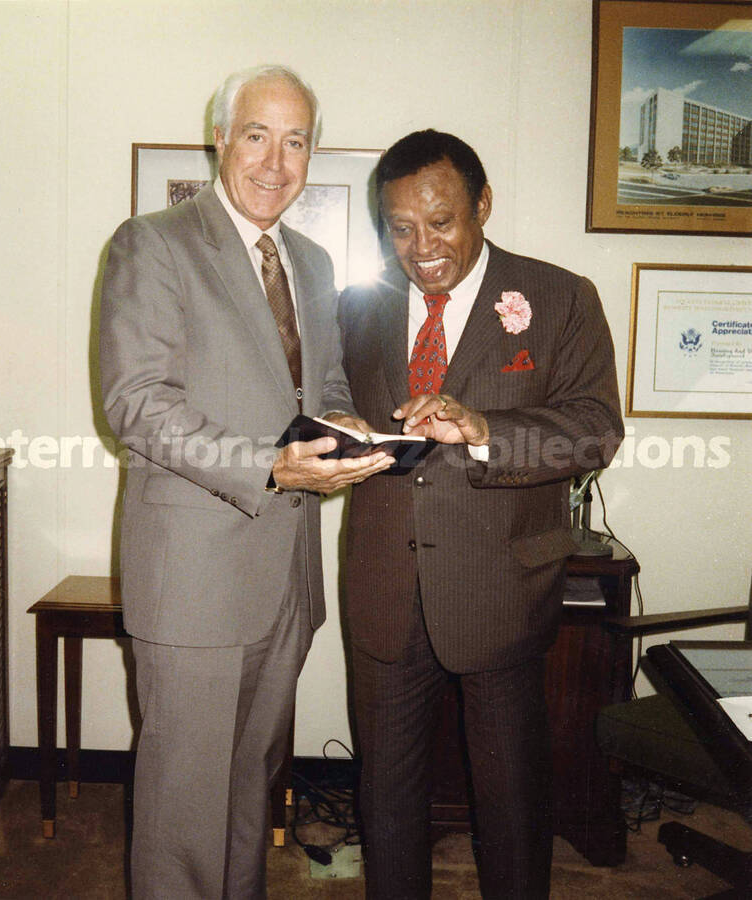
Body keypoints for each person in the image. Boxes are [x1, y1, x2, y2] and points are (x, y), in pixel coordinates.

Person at [99, 65, 392, 900]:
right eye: (256, 135)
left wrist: (351, 435)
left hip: (285, 580)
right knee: (182, 809)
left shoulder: (309, 261)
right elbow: (137, 404)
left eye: (295, 140)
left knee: (243, 799)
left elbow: (322, 393)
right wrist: (267, 463)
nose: (275, 160)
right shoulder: (151, 243)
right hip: (192, 579)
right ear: (219, 137)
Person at [337, 129, 624, 899]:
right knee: (385, 799)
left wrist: (487, 429)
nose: (420, 247)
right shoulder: (358, 307)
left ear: (483, 205)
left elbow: (597, 427)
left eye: (441, 222)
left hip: (499, 588)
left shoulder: (559, 297)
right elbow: (330, 410)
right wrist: (333, 445)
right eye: (400, 227)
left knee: (511, 803)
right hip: (383, 583)